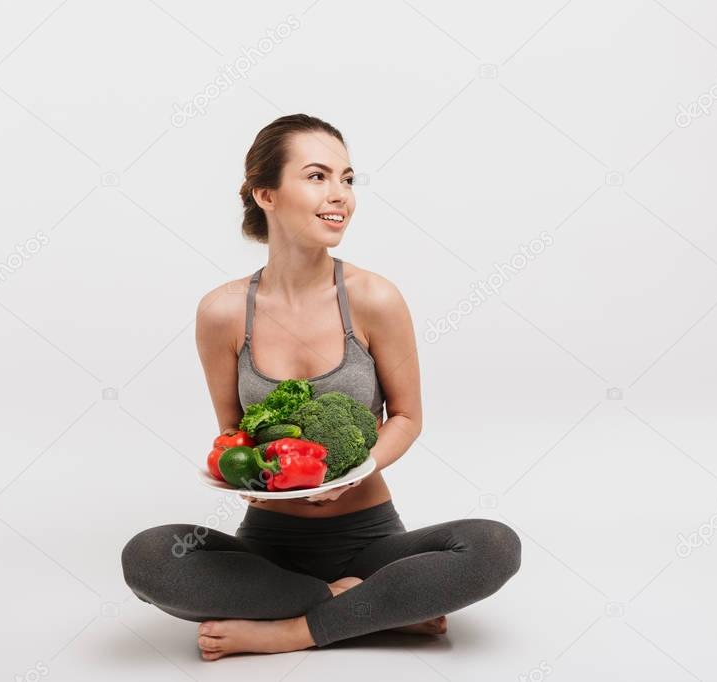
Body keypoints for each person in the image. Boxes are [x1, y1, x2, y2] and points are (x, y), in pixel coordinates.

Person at [120, 114, 522, 660]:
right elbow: (233, 435)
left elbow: (406, 417)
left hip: (372, 540)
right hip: (267, 552)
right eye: (317, 177)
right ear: (266, 193)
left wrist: (359, 469)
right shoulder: (222, 313)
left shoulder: (374, 299)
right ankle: (366, 610)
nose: (340, 196)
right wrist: (238, 472)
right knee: (147, 557)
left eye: (347, 178)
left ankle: (293, 630)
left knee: (493, 545)